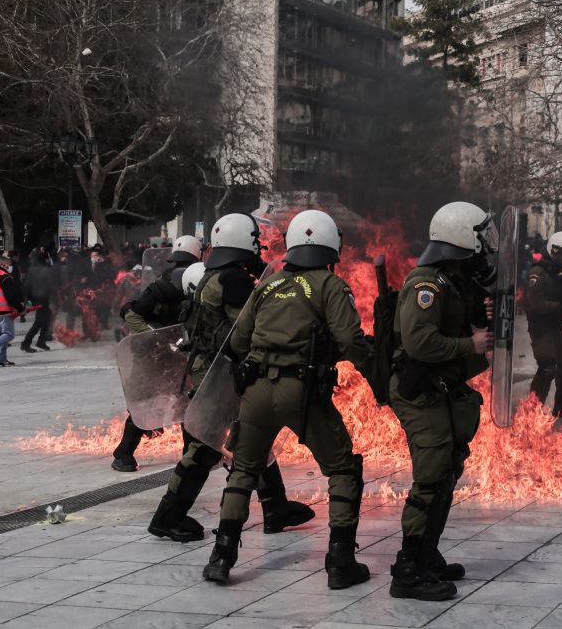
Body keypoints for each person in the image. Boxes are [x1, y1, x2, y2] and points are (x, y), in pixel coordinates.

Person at [203, 210, 373, 587]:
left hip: (257, 391)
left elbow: (238, 342)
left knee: (244, 470)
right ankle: (341, 561)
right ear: (332, 245)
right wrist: (375, 366)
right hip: (302, 392)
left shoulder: (268, 285)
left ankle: (222, 556)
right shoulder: (330, 286)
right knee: (342, 469)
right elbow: (350, 341)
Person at [147, 215, 313, 543]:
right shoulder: (234, 280)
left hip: (211, 369)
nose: (258, 248)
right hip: (223, 373)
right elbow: (248, 329)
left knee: (254, 434)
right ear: (244, 242)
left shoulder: (212, 274)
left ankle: (275, 507)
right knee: (205, 448)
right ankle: (168, 517)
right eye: (255, 242)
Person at [387, 201, 495, 602]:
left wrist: (479, 315)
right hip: (420, 391)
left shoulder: (452, 280)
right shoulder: (426, 284)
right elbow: (419, 342)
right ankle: (407, 569)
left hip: (441, 388)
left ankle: (427, 553)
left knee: (447, 471)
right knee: (430, 478)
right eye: (480, 236)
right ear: (462, 237)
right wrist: (472, 342)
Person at [111, 236, 203, 472]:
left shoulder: (190, 283)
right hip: (153, 355)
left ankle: (189, 458)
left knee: (184, 402)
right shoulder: (161, 287)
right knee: (150, 404)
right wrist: (153, 337)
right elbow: (131, 314)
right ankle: (123, 454)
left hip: (178, 354)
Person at [524, 231, 562, 418]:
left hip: (555, 327)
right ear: (554, 252)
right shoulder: (538, 273)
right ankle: (532, 413)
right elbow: (534, 304)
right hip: (540, 328)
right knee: (547, 367)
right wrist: (560, 307)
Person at [21, 250, 54, 353]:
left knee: (47, 317)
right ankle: (26, 343)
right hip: (43, 297)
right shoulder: (46, 270)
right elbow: (51, 285)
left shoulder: (31, 270)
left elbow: (26, 285)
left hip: (36, 297)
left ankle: (41, 341)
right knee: (39, 321)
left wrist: (26, 299)